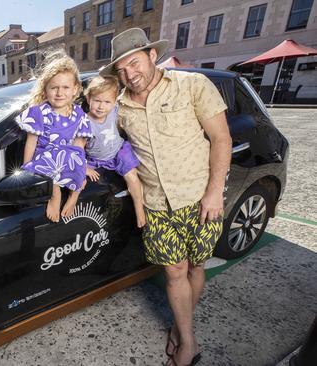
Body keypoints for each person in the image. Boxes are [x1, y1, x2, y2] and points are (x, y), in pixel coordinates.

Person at [99, 28, 231, 365]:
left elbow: (221, 139)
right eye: (122, 70)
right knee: (174, 273)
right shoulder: (120, 107)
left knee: (197, 266)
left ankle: (178, 327)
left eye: (135, 63)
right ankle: (188, 342)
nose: (130, 74)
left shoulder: (192, 86)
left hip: (200, 199)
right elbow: (94, 130)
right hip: (157, 206)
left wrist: (214, 192)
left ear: (152, 56)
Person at [16, 50, 92, 222]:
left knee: (76, 162)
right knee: (53, 165)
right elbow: (31, 142)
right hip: (45, 159)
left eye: (65, 87)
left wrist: (81, 167)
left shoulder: (80, 115)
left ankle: (74, 196)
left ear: (75, 90)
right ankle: (55, 194)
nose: (59, 93)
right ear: (46, 89)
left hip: (68, 158)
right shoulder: (39, 112)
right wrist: (27, 168)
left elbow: (79, 147)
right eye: (54, 87)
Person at [83, 76, 146, 228]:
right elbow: (77, 148)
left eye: (107, 102)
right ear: (88, 98)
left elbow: (128, 94)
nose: (101, 107)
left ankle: (140, 209)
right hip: (96, 159)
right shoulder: (84, 123)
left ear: (114, 102)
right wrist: (84, 167)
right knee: (84, 183)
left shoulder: (114, 110)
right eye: (97, 101)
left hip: (119, 151)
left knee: (132, 176)